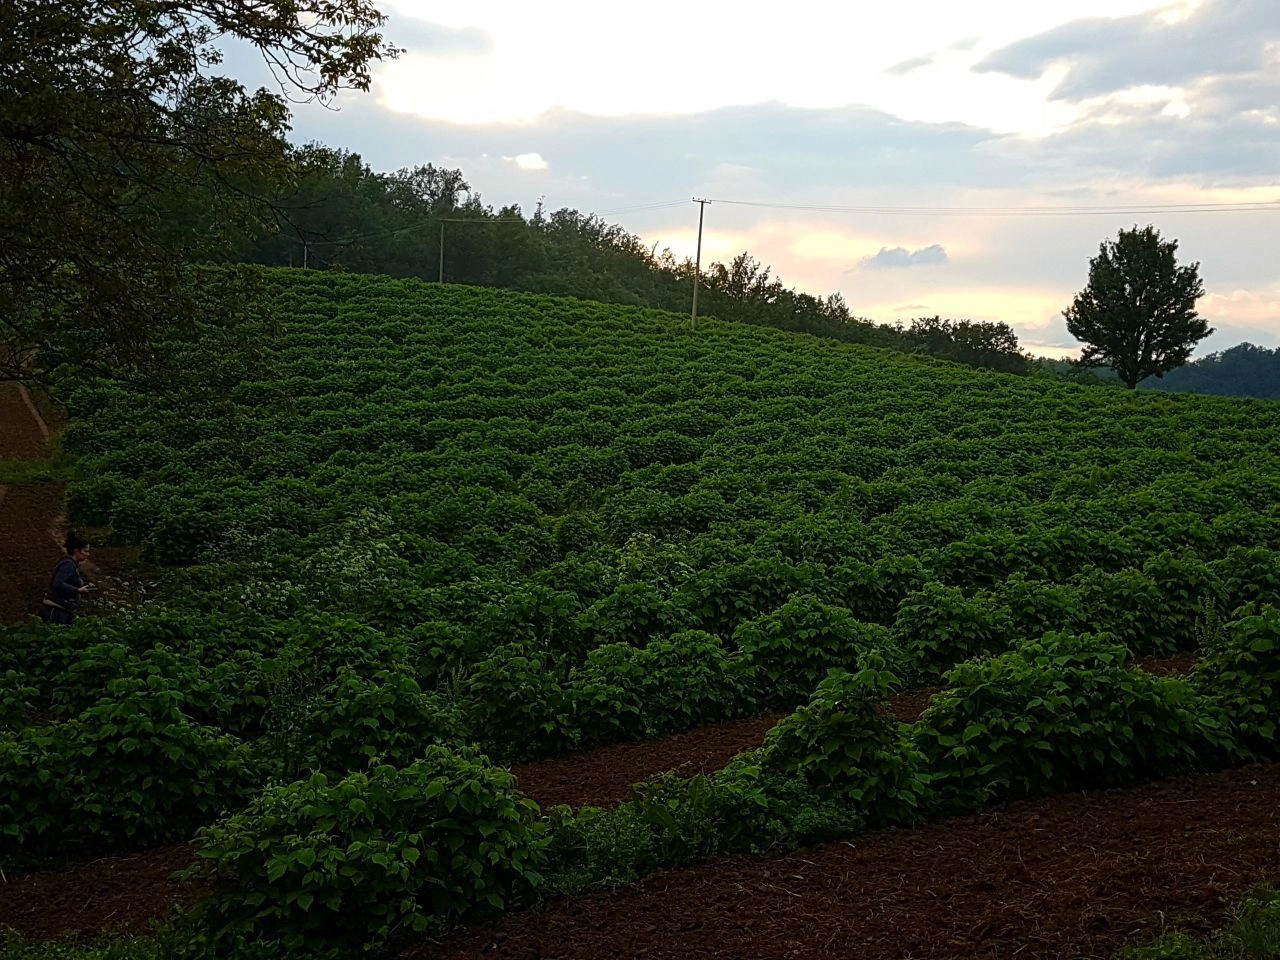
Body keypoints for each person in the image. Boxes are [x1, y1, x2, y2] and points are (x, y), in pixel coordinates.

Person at [41, 530, 93, 625]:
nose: (88, 554)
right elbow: (57, 583)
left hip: (63, 609)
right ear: (76, 550)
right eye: (85, 551)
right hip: (56, 610)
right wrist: (77, 590)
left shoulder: (71, 564)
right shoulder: (68, 564)